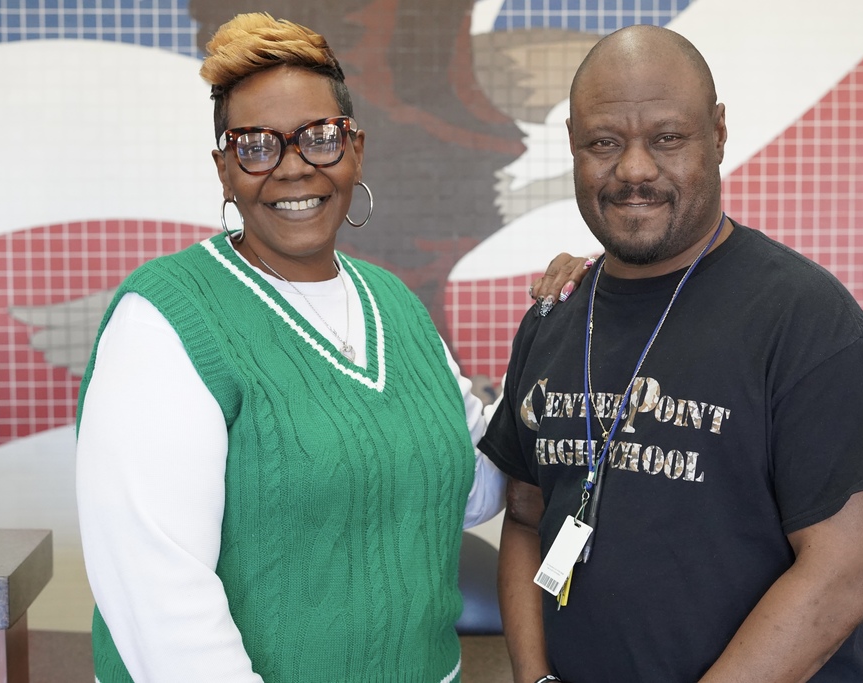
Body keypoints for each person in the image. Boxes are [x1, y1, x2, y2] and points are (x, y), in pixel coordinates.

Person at [75, 12, 587, 683]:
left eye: (319, 137)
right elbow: (161, 603)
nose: (292, 167)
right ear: (225, 170)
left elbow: (472, 481)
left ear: (355, 149)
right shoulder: (164, 321)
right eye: (256, 146)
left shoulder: (395, 305)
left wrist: (579, 331)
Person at [478, 24, 863, 683]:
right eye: (603, 142)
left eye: (667, 137)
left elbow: (842, 574)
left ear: (717, 132)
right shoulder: (555, 315)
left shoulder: (807, 321)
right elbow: (524, 518)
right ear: (572, 144)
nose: (633, 169)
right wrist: (536, 676)